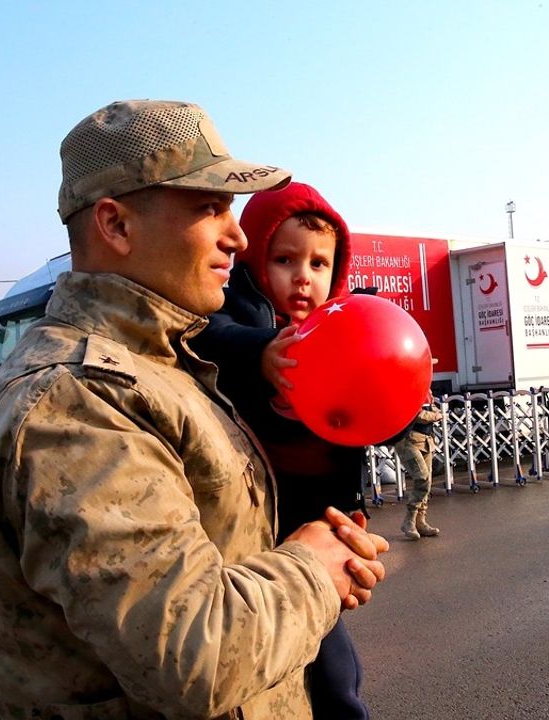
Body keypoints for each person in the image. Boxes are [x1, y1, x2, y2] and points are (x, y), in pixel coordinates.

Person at [0, 99, 390, 720]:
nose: (237, 237)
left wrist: (321, 547)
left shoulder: (161, 370)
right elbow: (196, 658)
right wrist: (315, 570)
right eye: (208, 208)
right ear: (116, 225)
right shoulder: (77, 402)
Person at [189, 182, 371, 718]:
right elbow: (211, 335)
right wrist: (262, 350)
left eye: (319, 264)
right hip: (258, 533)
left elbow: (372, 415)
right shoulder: (240, 315)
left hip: (319, 520)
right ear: (253, 259)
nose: (303, 277)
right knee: (309, 666)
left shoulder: (341, 329)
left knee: (336, 671)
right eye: (285, 259)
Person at [392, 394, 445, 540]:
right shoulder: (406, 389)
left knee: (426, 483)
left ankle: (420, 521)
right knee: (423, 479)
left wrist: (436, 413)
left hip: (425, 441)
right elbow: (417, 415)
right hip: (407, 441)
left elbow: (434, 408)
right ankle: (409, 521)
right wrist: (437, 416)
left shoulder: (425, 390)